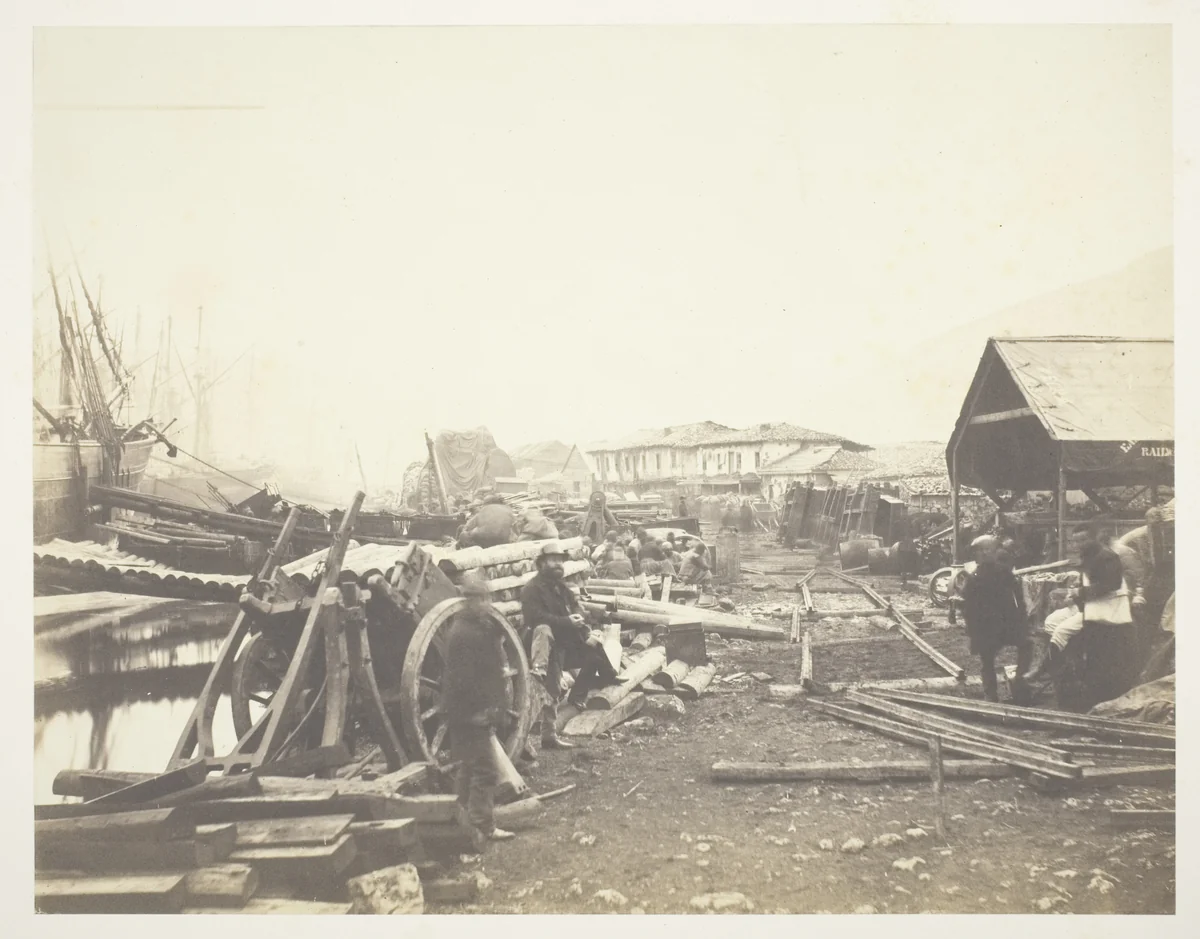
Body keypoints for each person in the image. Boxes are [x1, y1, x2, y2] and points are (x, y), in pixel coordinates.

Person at [520, 542, 620, 751]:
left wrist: (586, 631)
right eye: (553, 560)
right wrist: (567, 621)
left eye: (560, 561)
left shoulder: (562, 587)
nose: (558, 564)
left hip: (565, 641)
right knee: (551, 689)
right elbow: (535, 618)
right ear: (542, 563)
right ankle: (534, 738)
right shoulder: (531, 589)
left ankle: (575, 703)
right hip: (543, 645)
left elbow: (576, 609)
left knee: (593, 654)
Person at [442, 573, 516, 842]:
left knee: (467, 767)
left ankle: (458, 819)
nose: (486, 604)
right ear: (470, 601)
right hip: (472, 712)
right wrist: (481, 711)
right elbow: (466, 680)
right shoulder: (468, 634)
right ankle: (482, 825)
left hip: (464, 711)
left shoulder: (467, 629)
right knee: (485, 769)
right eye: (481, 599)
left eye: (487, 598)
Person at [1024, 536, 1133, 700]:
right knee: (1052, 621)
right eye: (1074, 542)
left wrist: (1080, 593)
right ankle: (1062, 662)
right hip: (1091, 604)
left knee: (1062, 630)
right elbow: (1088, 584)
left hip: (1107, 608)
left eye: (1079, 540)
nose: (1076, 545)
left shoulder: (1108, 558)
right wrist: (1074, 593)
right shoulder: (1090, 556)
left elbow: (1110, 585)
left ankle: (1043, 669)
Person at [961, 535, 1033, 704]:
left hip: (999, 626)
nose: (985, 554)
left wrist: (1021, 619)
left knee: (1021, 647)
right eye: (982, 551)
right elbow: (969, 609)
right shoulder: (981, 577)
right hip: (995, 627)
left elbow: (1018, 597)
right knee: (992, 658)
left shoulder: (993, 574)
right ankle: (1005, 689)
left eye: (988, 550)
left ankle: (1005, 689)